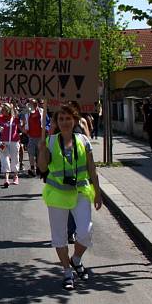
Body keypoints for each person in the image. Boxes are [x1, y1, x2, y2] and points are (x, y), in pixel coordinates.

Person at [37, 104, 103, 291]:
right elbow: (42, 168)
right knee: (59, 236)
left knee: (85, 230)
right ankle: (67, 271)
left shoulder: (83, 140)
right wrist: (42, 150)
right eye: (61, 119)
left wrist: (98, 192)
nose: (65, 122)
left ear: (74, 120)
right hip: (57, 194)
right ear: (56, 122)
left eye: (68, 118)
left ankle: (76, 259)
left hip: (80, 191)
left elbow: (92, 168)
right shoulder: (49, 141)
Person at [0, 103, 21, 188]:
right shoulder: (0, 118)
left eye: (4, 110)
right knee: (4, 159)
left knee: (15, 158)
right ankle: (6, 179)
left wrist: (25, 126)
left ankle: (15, 176)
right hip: (3, 142)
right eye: (2, 110)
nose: (2, 111)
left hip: (14, 141)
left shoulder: (15, 119)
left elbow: (21, 128)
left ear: (8, 110)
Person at [25, 99, 45, 177]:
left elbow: (46, 122)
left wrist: (45, 130)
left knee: (39, 154)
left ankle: (39, 168)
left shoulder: (42, 111)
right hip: (31, 136)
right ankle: (32, 169)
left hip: (40, 136)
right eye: (31, 103)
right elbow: (24, 122)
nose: (33, 104)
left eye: (34, 103)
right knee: (31, 153)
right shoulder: (27, 112)